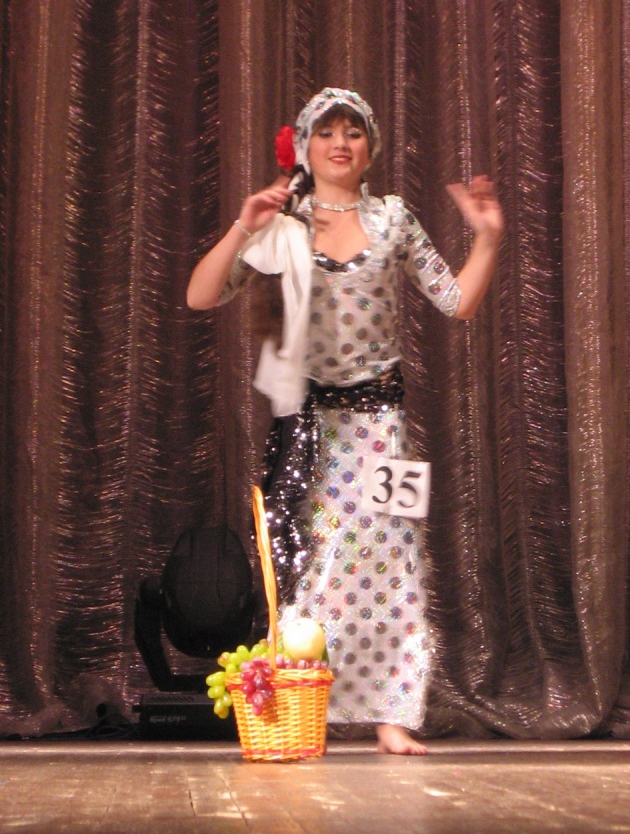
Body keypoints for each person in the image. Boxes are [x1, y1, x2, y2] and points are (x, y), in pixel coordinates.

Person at [187, 87, 503, 754]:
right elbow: (201, 294)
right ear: (304, 147)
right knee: (314, 562)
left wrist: (487, 237)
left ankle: (392, 712)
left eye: (352, 132)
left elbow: (457, 302)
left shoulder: (393, 219)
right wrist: (244, 224)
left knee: (396, 561)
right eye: (326, 131)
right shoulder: (284, 224)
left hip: (383, 425)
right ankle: (304, 706)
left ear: (370, 147)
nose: (340, 143)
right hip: (310, 429)